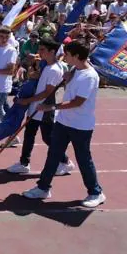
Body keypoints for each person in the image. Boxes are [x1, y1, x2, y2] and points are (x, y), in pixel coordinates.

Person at [23, 40, 106, 208]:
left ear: (76, 56)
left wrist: (50, 107)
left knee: (83, 159)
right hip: (63, 122)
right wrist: (68, 79)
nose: (64, 57)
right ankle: (43, 187)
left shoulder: (90, 76)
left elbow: (77, 102)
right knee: (53, 155)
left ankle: (96, 192)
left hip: (80, 125)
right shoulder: (75, 69)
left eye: (67, 54)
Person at [7, 38, 74, 175]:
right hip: (35, 107)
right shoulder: (45, 66)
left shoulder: (54, 70)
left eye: (42, 50)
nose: (39, 52)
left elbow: (47, 92)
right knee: (29, 134)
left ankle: (65, 161)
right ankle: (24, 163)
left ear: (52, 51)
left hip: (44, 109)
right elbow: (36, 79)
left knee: (47, 137)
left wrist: (27, 101)